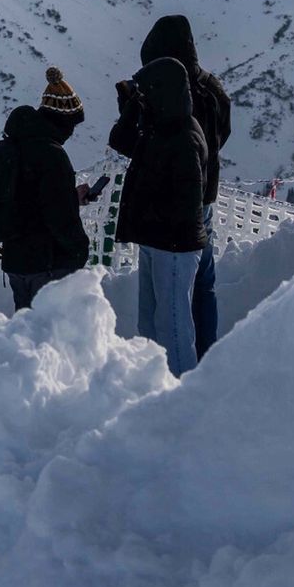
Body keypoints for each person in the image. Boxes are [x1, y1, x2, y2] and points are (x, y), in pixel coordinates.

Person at [139, 15, 233, 358]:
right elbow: (222, 135)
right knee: (203, 288)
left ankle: (178, 373)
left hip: (173, 210)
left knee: (172, 304)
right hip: (205, 198)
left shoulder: (171, 95)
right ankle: (207, 356)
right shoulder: (213, 88)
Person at [109, 57, 208, 376]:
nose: (144, 98)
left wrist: (149, 214)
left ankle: (181, 396)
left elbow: (186, 201)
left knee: (174, 328)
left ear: (161, 93)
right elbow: (120, 141)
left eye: (147, 92)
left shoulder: (182, 136)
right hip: (155, 240)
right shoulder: (160, 126)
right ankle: (153, 385)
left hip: (174, 246)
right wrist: (131, 107)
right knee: (150, 323)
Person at [0, 69, 90, 310]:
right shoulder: (52, 155)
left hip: (16, 262)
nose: (71, 133)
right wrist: (80, 249)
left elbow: (27, 200)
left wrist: (72, 197)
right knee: (48, 337)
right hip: (48, 263)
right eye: (71, 124)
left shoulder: (13, 147)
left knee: (26, 336)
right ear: (61, 120)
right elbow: (57, 214)